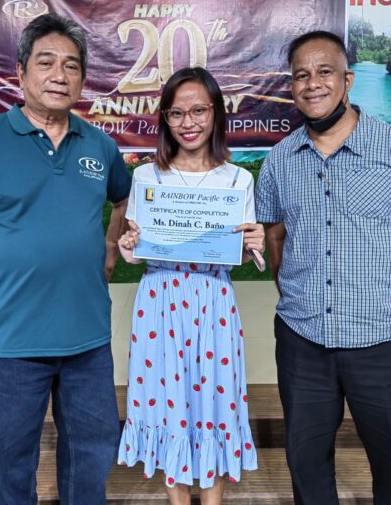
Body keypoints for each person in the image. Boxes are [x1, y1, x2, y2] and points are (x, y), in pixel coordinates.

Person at [256, 30, 391, 505]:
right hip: (302, 342)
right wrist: (298, 291)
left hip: (388, 343)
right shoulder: (278, 161)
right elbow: (276, 238)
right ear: (292, 86)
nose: (313, 84)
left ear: (347, 79)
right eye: (301, 75)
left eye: (324, 71)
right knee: (306, 464)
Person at [0, 13, 131, 505]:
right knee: (8, 461)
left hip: (88, 339)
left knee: (91, 455)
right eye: (46, 63)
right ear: (20, 72)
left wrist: (109, 249)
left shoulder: (100, 147)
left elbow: (125, 201)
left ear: (83, 79)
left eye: (71, 65)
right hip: (12, 342)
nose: (59, 75)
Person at [116, 67, 263, 504]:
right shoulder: (147, 178)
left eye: (199, 110)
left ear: (216, 113)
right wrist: (129, 243)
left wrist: (254, 244)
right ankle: (178, 499)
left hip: (214, 298)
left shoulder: (237, 181)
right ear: (164, 118)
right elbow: (135, 252)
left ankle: (213, 499)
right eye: (177, 112)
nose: (189, 122)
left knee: (217, 400)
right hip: (158, 301)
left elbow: (245, 257)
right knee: (167, 401)